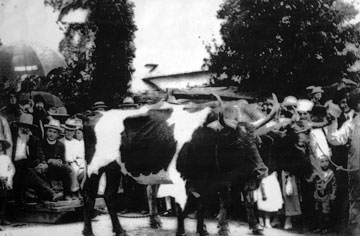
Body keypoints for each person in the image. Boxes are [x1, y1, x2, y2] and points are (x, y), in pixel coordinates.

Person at [326, 88, 360, 236]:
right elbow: (335, 139)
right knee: (356, 202)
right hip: (356, 170)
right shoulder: (352, 123)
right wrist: (333, 122)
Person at [11, 113, 62, 204]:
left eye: (27, 127)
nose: (25, 129)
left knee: (35, 170)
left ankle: (44, 197)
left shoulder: (33, 139)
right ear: (18, 126)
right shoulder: (12, 138)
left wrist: (42, 164)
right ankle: (50, 194)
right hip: (12, 165)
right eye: (23, 126)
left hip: (28, 165)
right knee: (27, 169)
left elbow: (39, 155)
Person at [42, 119, 73, 200]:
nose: (51, 134)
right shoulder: (42, 143)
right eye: (50, 131)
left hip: (56, 169)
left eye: (54, 132)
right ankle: (48, 195)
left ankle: (67, 194)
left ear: (58, 134)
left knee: (66, 168)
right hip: (45, 167)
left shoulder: (60, 145)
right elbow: (40, 157)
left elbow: (63, 159)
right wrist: (50, 160)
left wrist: (60, 161)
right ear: (46, 132)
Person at [308, 156, 336, 234]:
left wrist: (333, 194)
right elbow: (310, 180)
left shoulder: (331, 173)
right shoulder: (317, 172)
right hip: (318, 195)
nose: (324, 164)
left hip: (326, 196)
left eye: (326, 161)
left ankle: (326, 227)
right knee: (318, 211)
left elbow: (334, 185)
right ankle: (319, 227)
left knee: (325, 212)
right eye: (322, 161)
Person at [61, 118, 85, 199]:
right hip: (65, 164)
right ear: (64, 130)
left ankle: (83, 191)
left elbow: (81, 156)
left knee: (85, 171)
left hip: (76, 163)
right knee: (73, 170)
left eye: (71, 131)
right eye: (67, 130)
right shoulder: (61, 142)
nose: (69, 133)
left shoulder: (77, 143)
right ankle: (74, 192)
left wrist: (78, 164)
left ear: (74, 132)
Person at [0, 139, 15, 227]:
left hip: (4, 181)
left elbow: (11, 169)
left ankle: (3, 218)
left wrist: (8, 178)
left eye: (0, 145)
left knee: (4, 200)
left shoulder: (6, 158)